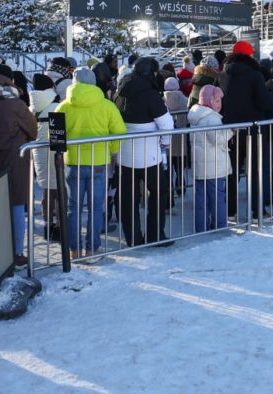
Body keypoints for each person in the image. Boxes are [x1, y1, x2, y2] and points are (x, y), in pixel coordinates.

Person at [55, 66, 126, 258]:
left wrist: (60, 154)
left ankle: (74, 249)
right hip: (98, 162)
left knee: (73, 207)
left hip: (72, 162)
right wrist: (111, 150)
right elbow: (119, 131)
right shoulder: (106, 105)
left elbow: (54, 135)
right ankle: (92, 248)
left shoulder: (63, 106)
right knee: (95, 207)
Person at [0, 63, 37, 268]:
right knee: (17, 206)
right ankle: (17, 253)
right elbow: (33, 130)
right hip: (15, 160)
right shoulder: (16, 104)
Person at [114, 57, 174, 248]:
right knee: (158, 192)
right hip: (149, 155)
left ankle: (132, 237)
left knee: (128, 198)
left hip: (124, 154)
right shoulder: (150, 94)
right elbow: (166, 123)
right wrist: (165, 142)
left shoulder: (120, 93)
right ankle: (155, 233)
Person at [219, 41, 273, 218]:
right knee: (256, 171)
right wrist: (270, 95)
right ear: (248, 55)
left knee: (232, 171)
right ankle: (257, 210)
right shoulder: (255, 75)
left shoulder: (222, 75)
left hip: (229, 130)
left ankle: (230, 211)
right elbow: (264, 103)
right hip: (254, 130)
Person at [188, 85, 232, 231]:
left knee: (201, 198)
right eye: (217, 101)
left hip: (201, 164)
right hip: (214, 165)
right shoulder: (211, 117)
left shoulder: (196, 114)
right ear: (209, 101)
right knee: (217, 197)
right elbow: (217, 139)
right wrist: (231, 131)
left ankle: (200, 227)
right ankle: (220, 225)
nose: (220, 104)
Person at [29, 74, 61, 242]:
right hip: (55, 153)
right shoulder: (57, 106)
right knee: (61, 192)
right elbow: (59, 136)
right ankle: (60, 227)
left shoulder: (32, 107)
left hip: (38, 153)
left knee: (47, 192)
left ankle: (48, 225)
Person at [163, 77, 190, 196]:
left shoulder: (162, 99)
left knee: (168, 169)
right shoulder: (184, 99)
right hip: (180, 137)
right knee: (179, 168)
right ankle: (181, 188)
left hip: (167, 139)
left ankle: (170, 190)